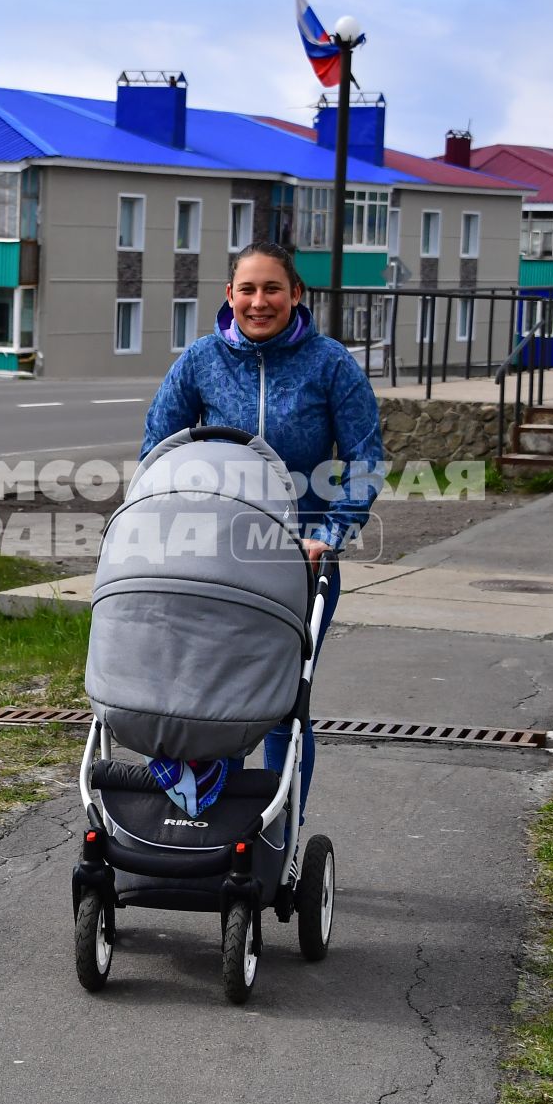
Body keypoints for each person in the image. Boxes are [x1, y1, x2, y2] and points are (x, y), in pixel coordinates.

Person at [140, 239, 384, 813]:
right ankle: (216, 828)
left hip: (300, 560)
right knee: (211, 698)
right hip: (212, 557)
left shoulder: (330, 364)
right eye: (246, 289)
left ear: (296, 294)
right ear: (229, 295)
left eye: (272, 288)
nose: (259, 301)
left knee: (280, 706)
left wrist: (329, 533)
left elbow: (365, 459)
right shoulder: (200, 360)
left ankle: (279, 832)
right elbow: (158, 450)